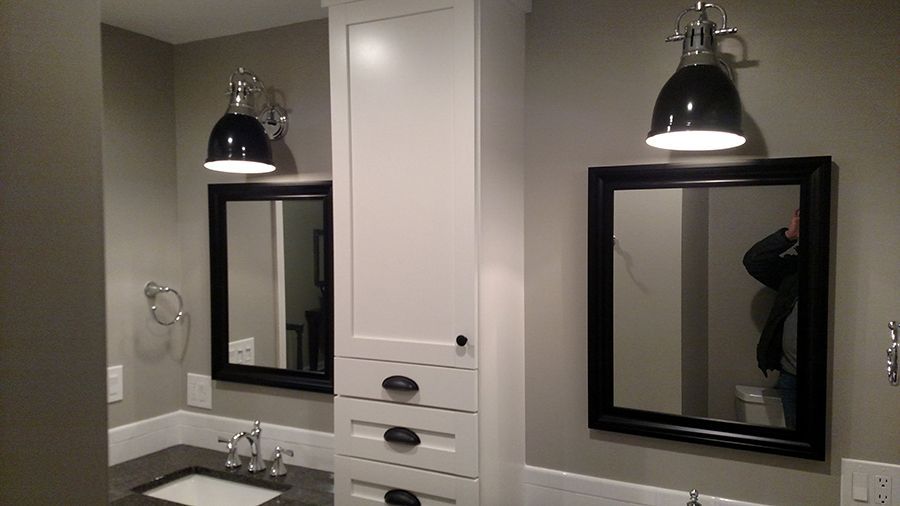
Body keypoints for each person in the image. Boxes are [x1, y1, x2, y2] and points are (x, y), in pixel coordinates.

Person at [742, 209, 800, 429]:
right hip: (791, 376)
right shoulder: (794, 271)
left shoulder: (841, 273)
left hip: (829, 379)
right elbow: (754, 261)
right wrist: (789, 236)